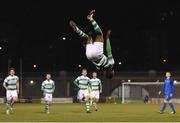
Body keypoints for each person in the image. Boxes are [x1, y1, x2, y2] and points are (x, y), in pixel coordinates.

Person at [70, 10, 115, 79]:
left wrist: (107, 38)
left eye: (113, 73)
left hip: (97, 54)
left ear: (111, 72)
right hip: (89, 56)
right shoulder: (99, 68)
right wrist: (85, 47)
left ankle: (90, 18)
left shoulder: (111, 64)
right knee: (87, 38)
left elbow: (109, 51)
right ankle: (77, 29)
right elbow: (92, 59)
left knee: (99, 34)